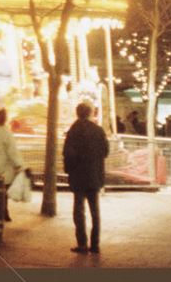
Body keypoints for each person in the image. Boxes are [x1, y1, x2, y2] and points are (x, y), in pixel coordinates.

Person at [64, 102, 109, 254]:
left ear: (77, 113)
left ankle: (82, 243)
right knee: (95, 211)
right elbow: (105, 151)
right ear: (90, 113)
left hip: (78, 177)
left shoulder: (73, 131)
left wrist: (70, 170)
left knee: (79, 210)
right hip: (94, 176)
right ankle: (95, 244)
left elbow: (68, 154)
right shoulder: (98, 131)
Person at [0, 107, 24, 222]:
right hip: (5, 168)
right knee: (4, 192)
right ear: (5, 119)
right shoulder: (7, 134)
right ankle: (3, 212)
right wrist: (18, 164)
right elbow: (12, 151)